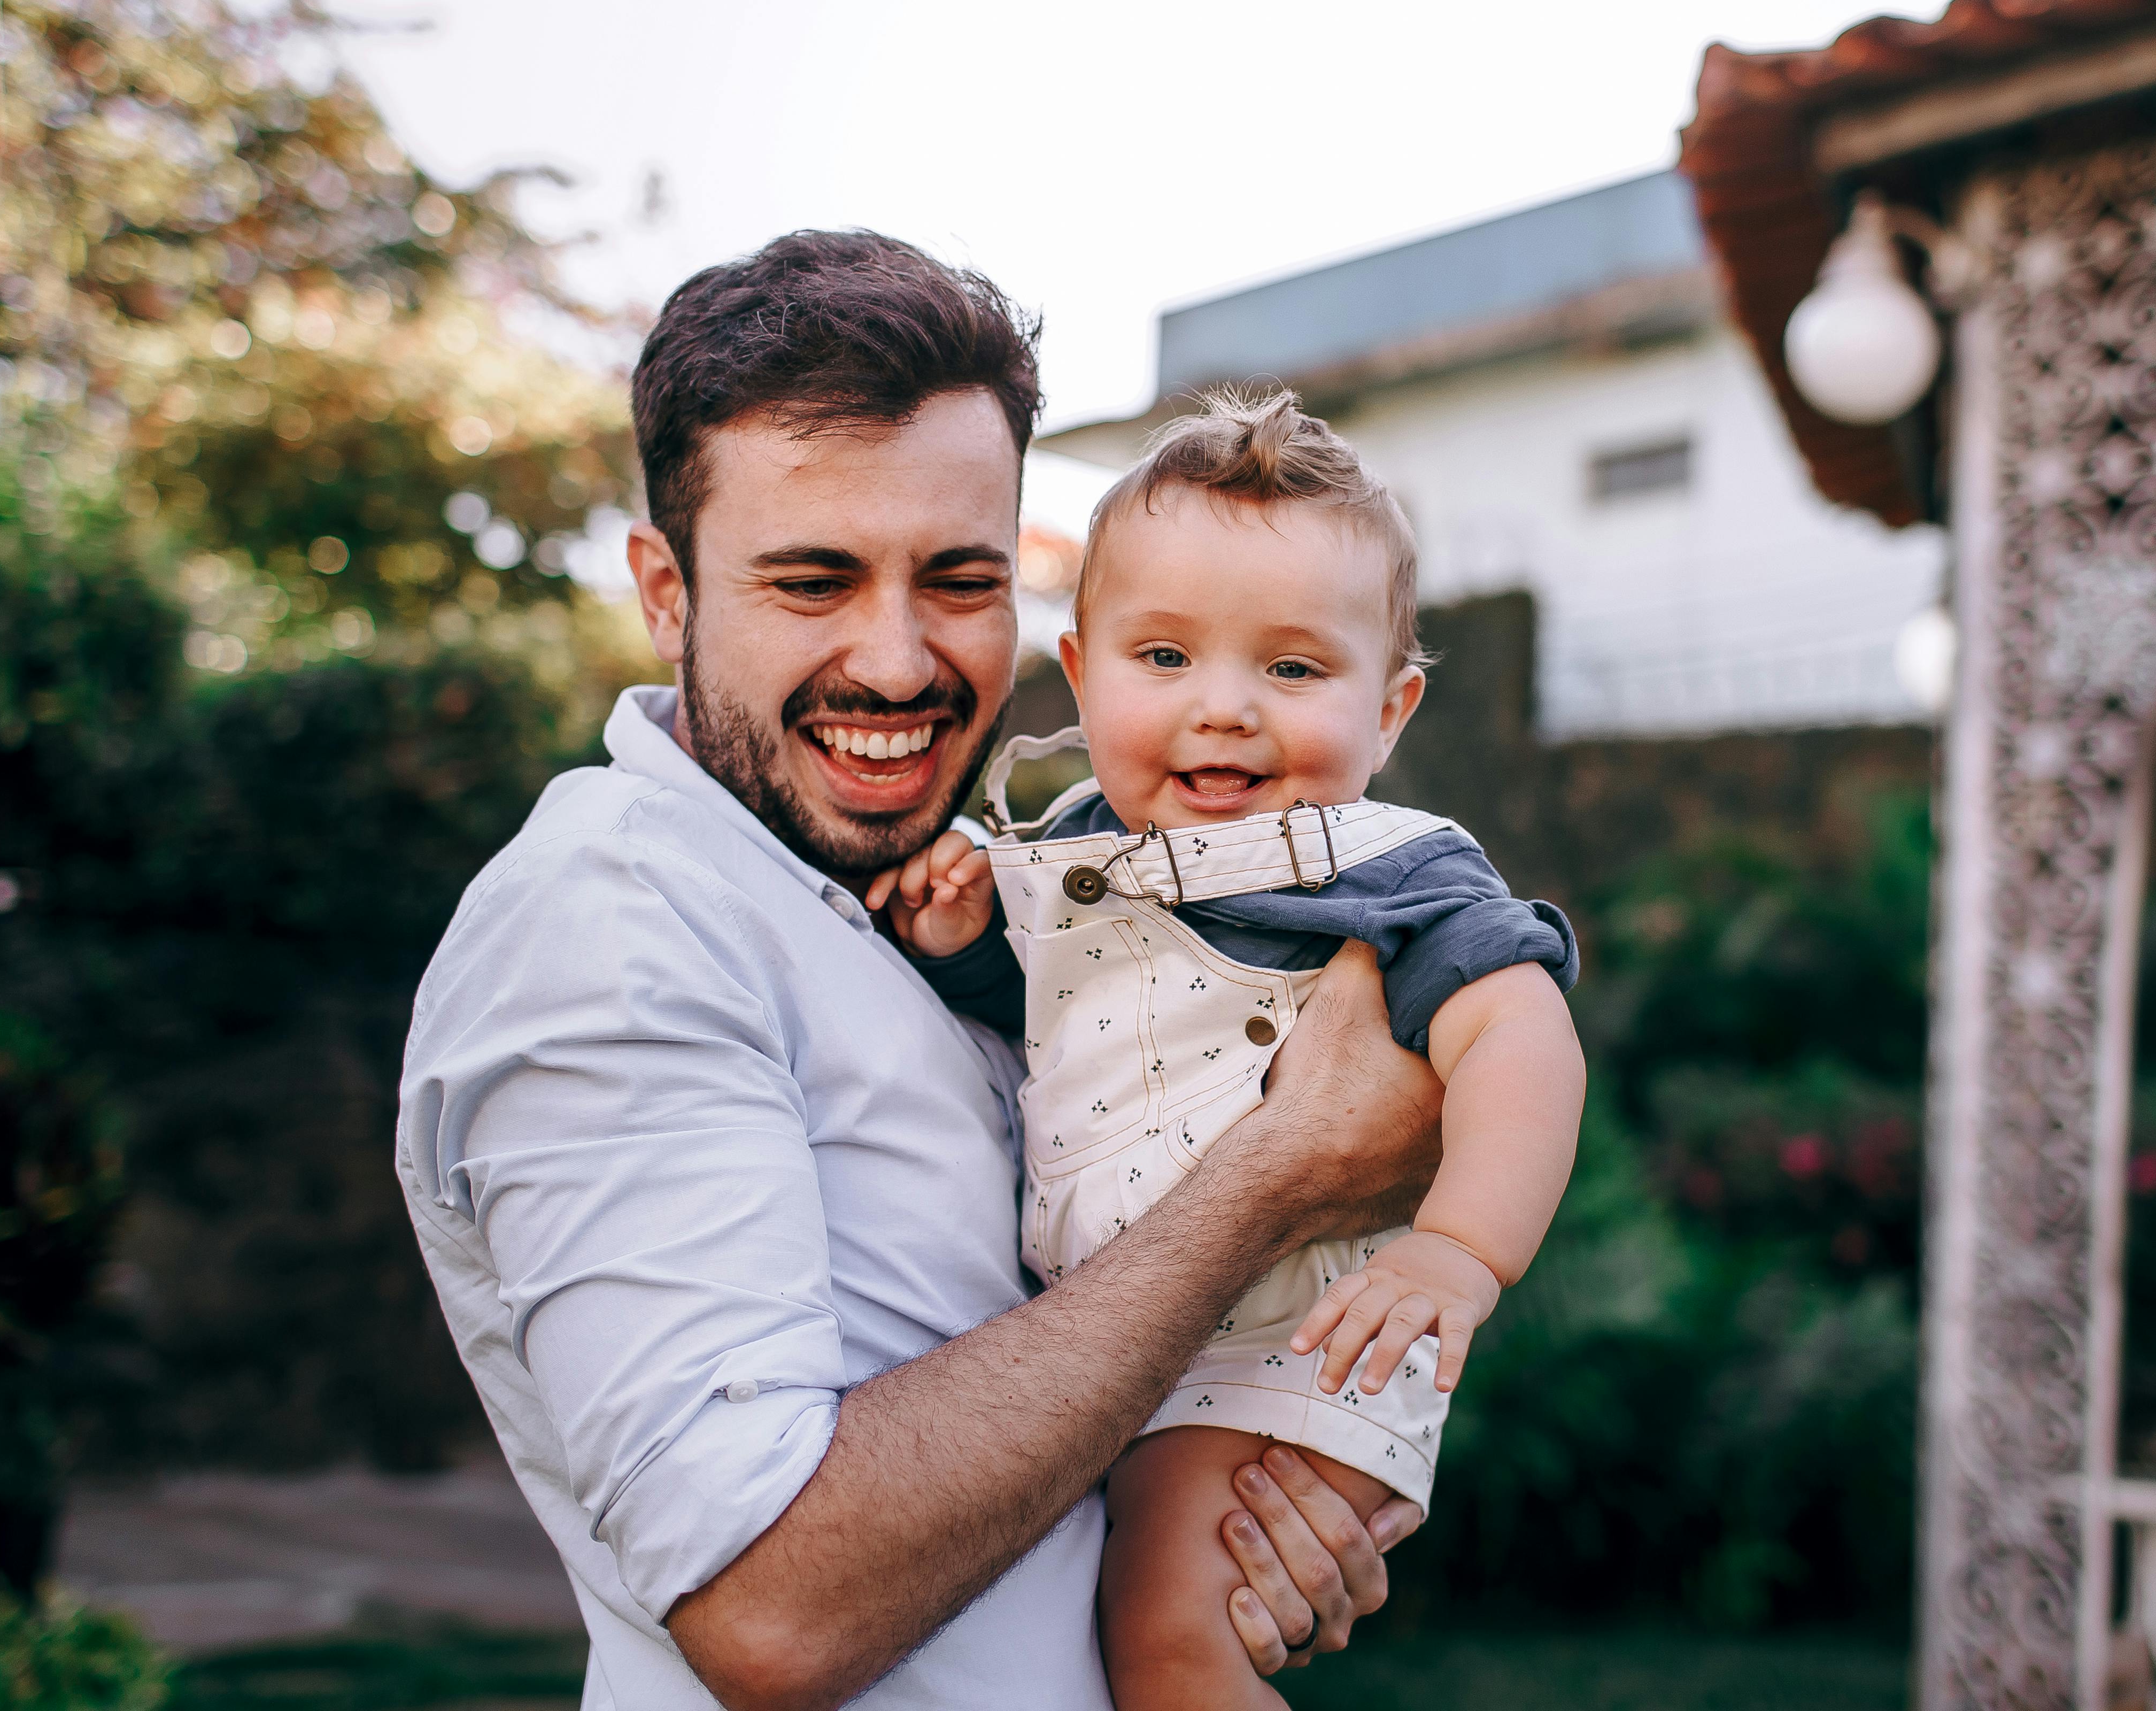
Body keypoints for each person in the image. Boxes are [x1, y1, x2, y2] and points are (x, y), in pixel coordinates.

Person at [396, 233, 1442, 1711]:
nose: (895, 663)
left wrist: (1250, 1506)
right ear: (667, 592)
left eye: (957, 580)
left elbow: (1053, 1378)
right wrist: (1278, 1178)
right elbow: (771, 1610)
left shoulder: (950, 903)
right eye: (813, 581)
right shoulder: (613, 924)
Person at [868, 391, 1588, 1709]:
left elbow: (1522, 1036)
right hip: (1122, 1339)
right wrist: (961, 934)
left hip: (1285, 1344)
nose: (1224, 710)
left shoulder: (1393, 874)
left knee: (1166, 1649)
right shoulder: (1073, 849)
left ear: (1392, 710)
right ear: (1081, 672)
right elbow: (1048, 1015)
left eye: (1294, 671)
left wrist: (1461, 1251)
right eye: (1164, 658)